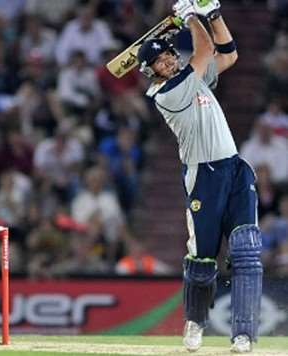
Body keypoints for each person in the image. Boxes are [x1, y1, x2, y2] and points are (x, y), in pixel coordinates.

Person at [137, 0, 262, 353]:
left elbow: (228, 53)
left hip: (234, 168)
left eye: (171, 56)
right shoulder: (167, 93)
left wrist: (214, 14)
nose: (170, 61)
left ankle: (243, 333)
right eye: (162, 61)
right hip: (203, 177)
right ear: (152, 72)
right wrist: (192, 15)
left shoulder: (194, 78)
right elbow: (205, 48)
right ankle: (194, 322)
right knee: (203, 256)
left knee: (247, 250)